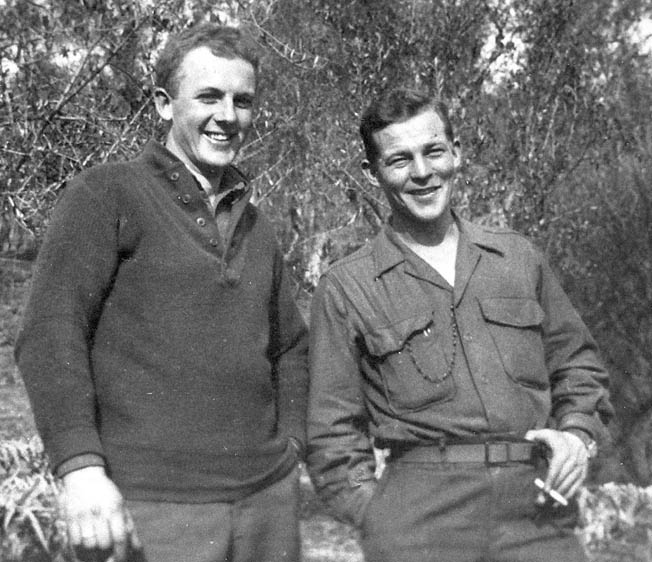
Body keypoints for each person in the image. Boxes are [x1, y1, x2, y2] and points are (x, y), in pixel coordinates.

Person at [15, 23, 308, 562]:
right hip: (150, 508)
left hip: (267, 505)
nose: (228, 115)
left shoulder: (258, 225)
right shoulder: (104, 194)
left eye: (242, 101)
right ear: (163, 104)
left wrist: (289, 448)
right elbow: (49, 332)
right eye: (209, 97)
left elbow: (291, 347)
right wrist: (80, 469)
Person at [306, 88, 613, 562]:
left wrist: (576, 435)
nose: (423, 172)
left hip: (536, 512)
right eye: (400, 160)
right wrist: (380, 517)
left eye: (433, 151)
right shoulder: (347, 287)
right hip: (420, 521)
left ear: (457, 152)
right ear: (373, 174)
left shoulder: (517, 258)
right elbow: (331, 434)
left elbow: (578, 367)